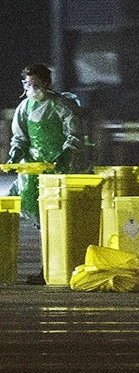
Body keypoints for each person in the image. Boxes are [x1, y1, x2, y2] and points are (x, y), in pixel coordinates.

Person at [8, 63, 89, 284]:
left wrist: (64, 156)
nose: (30, 87)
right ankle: (49, 269)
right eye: (26, 83)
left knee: (59, 222)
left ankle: (58, 268)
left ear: (46, 82)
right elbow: (20, 137)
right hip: (34, 173)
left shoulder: (61, 106)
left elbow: (74, 136)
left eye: (35, 82)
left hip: (61, 172)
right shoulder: (24, 108)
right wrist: (16, 151)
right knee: (42, 222)